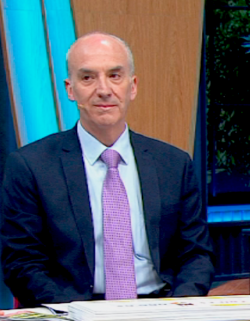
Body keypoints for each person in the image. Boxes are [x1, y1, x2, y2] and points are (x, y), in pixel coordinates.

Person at [1, 32, 215, 306]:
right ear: (70, 89)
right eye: (88, 78)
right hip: (73, 312)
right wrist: (73, 313)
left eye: (115, 76)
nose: (104, 89)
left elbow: (196, 254)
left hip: (162, 308)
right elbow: (22, 262)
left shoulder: (173, 164)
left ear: (132, 86)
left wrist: (179, 308)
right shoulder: (31, 166)